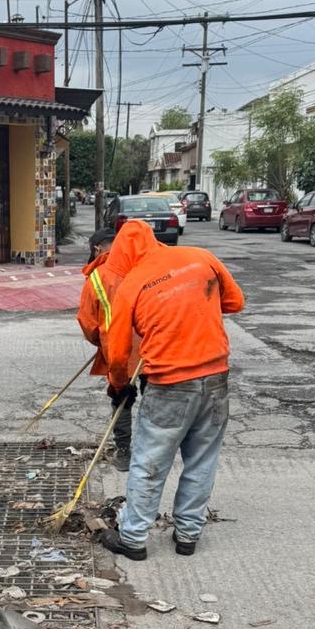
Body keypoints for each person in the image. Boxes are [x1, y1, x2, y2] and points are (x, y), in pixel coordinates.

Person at [98, 220, 244, 559]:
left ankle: (133, 539)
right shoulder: (200, 257)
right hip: (216, 378)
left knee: (150, 461)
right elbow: (235, 302)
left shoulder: (131, 284)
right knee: (202, 459)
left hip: (169, 384)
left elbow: (118, 353)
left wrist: (119, 387)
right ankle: (188, 536)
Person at [77, 226, 138, 470]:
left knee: (121, 398)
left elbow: (88, 322)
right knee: (155, 398)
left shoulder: (97, 277)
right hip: (155, 346)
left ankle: (124, 452)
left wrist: (101, 343)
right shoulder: (140, 267)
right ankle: (153, 451)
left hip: (118, 350)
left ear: (97, 248)